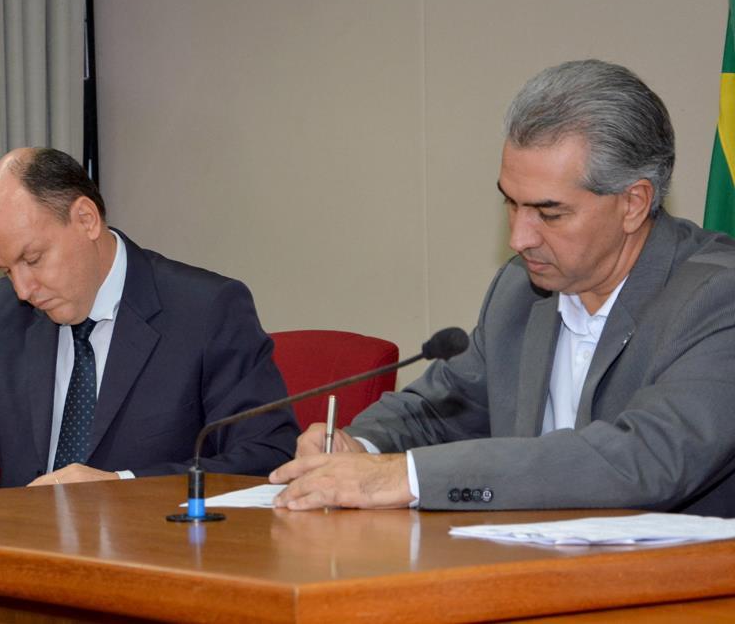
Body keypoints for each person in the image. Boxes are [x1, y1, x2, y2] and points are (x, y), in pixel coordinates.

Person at [271, 59, 735, 516]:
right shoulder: (521, 291)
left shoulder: (719, 297)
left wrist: (405, 477)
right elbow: (437, 413)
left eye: (549, 213)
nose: (519, 238)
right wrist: (360, 447)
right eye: (510, 204)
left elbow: (644, 460)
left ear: (633, 203)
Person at [0, 147, 298, 498]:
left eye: (32, 259)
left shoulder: (206, 310)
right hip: (22, 566)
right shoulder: (7, 313)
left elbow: (265, 456)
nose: (22, 288)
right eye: (5, 270)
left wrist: (121, 487)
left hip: (156, 566)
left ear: (86, 220)